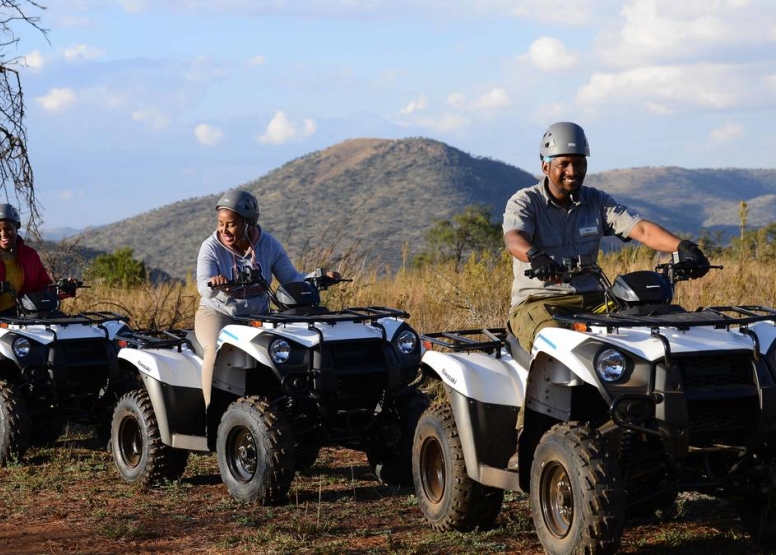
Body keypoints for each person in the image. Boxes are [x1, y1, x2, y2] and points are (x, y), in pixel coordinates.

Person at [502, 122, 709, 471]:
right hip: (540, 303)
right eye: (564, 163)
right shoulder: (526, 201)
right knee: (553, 344)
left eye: (579, 162)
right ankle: (531, 435)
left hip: (596, 300)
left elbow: (639, 228)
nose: (572, 171)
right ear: (546, 166)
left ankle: (652, 421)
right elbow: (514, 237)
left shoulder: (595, 201)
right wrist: (534, 255)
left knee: (658, 327)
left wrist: (683, 247)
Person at [195, 190, 338, 407]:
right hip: (219, 313)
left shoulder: (268, 244)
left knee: (282, 352)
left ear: (248, 223)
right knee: (215, 350)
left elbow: (291, 278)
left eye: (231, 224)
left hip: (257, 316)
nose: (224, 230)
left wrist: (318, 278)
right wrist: (214, 283)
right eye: (220, 223)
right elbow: (203, 286)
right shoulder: (211, 247)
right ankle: (211, 414)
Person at [0, 203, 54, 316]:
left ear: (17, 227)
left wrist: (63, 289)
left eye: (8, 229)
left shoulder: (30, 255)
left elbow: (43, 287)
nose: (3, 234)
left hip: (22, 317)